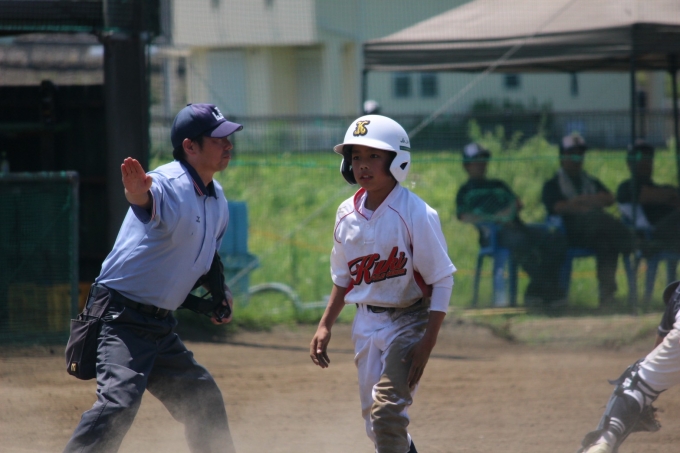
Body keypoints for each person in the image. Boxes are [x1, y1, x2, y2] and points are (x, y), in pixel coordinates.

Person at [63, 103, 242, 453]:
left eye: (228, 138)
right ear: (190, 146)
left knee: (202, 398)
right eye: (218, 139)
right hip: (121, 318)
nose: (228, 144)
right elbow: (146, 198)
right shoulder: (169, 182)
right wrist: (136, 191)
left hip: (159, 327)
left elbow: (204, 259)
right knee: (118, 404)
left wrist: (221, 293)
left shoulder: (217, 199)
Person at [309, 115, 456, 453]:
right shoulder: (346, 214)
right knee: (375, 425)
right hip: (365, 322)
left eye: (374, 155)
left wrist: (428, 341)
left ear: (397, 160)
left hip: (410, 320)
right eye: (356, 156)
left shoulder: (417, 213)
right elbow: (343, 277)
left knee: (387, 413)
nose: (363, 165)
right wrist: (325, 325)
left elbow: (442, 279)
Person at [456, 143, 567, 307]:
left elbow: (517, 203)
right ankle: (547, 289)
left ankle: (536, 290)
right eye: (476, 161)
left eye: (483, 160)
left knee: (555, 238)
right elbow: (464, 216)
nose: (481, 164)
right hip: (494, 235)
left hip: (517, 227)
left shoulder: (498, 185)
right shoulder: (465, 190)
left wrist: (507, 214)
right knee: (519, 242)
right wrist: (495, 218)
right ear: (466, 165)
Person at [577, 280, 680, 453]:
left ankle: (603, 443)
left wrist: (643, 398)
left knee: (637, 382)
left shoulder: (677, 293)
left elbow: (656, 352)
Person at [541, 133, 632, 307]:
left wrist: (582, 201)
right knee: (596, 217)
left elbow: (609, 198)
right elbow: (557, 206)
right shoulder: (553, 184)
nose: (577, 159)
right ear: (562, 156)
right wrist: (585, 205)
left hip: (595, 232)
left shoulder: (589, 181)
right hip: (568, 234)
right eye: (572, 154)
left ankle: (607, 296)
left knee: (607, 242)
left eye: (580, 154)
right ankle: (633, 241)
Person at [616, 139, 680, 256]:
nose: (645, 161)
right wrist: (668, 195)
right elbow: (648, 195)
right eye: (639, 157)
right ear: (629, 163)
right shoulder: (626, 187)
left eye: (648, 157)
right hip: (652, 234)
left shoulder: (662, 187)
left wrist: (667, 195)